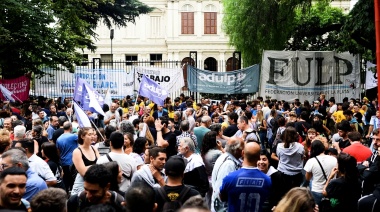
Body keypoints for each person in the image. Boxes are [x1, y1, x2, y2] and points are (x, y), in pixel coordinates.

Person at [220, 142, 271, 212]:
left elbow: (222, 198)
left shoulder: (230, 178)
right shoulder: (267, 180)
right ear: (259, 157)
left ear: (243, 153)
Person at [211, 139, 243, 212]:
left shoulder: (227, 158)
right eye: (243, 148)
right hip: (223, 207)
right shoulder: (228, 164)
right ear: (237, 150)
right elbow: (221, 189)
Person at [304, 140, 337, 205]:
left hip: (317, 190)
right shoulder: (334, 159)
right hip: (331, 189)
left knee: (317, 208)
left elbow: (307, 178)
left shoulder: (311, 161)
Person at [71, 127, 100, 196]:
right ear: (82, 136)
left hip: (94, 184)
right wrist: (96, 166)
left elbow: (101, 165)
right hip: (81, 185)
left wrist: (89, 167)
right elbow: (83, 172)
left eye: (93, 134)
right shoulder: (77, 151)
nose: (92, 136)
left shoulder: (94, 148)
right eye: (89, 134)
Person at [276, 126, 304, 195]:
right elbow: (302, 157)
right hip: (297, 174)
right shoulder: (300, 146)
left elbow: (279, 157)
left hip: (283, 172)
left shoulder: (279, 146)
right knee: (295, 194)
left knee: (283, 193)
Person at [56, 121, 78, 191]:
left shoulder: (58, 139)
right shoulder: (74, 136)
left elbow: (58, 151)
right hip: (73, 162)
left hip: (64, 162)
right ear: (71, 127)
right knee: (74, 181)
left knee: (66, 181)